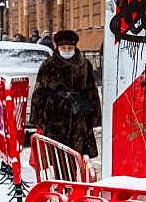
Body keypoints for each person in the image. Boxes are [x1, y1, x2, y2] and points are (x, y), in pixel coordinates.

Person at [30, 30, 102, 161]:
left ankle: (71, 180)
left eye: (70, 48)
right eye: (63, 48)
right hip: (54, 116)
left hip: (79, 116)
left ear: (75, 47)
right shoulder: (48, 65)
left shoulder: (84, 64)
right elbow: (39, 91)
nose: (67, 51)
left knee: (76, 156)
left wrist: (95, 117)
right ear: (57, 47)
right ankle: (60, 180)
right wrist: (37, 118)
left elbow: (92, 90)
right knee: (57, 156)